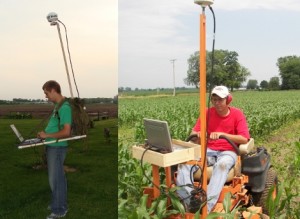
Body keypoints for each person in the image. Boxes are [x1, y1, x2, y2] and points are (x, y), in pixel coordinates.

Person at [176, 85, 250, 213]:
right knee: (184, 164)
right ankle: (190, 201)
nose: (217, 103)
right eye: (214, 100)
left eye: (220, 100)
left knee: (222, 165)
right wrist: (198, 135)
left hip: (228, 151)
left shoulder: (237, 114)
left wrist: (222, 134)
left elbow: (244, 138)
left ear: (228, 100)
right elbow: (194, 132)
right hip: (208, 150)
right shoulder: (207, 113)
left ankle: (205, 207)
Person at [38, 80, 72, 219]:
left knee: (56, 179)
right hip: (53, 146)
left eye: (46, 93)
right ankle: (58, 203)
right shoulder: (58, 106)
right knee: (57, 179)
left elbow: (66, 132)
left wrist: (47, 135)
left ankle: (59, 210)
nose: (46, 96)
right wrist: (44, 135)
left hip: (57, 148)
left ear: (53, 90)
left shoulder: (65, 108)